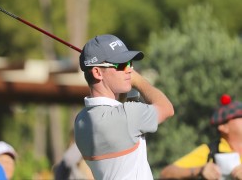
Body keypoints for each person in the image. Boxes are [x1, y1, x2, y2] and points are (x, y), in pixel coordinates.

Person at [74, 34, 174, 179]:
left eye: (130, 63)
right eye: (121, 65)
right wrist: (138, 80)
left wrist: (127, 84)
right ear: (97, 72)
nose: (129, 69)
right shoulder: (128, 116)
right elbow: (167, 108)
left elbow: (123, 114)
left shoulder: (81, 121)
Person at [160, 94, 242, 180]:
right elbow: (166, 173)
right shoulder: (210, 152)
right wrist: (199, 170)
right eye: (240, 116)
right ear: (223, 127)